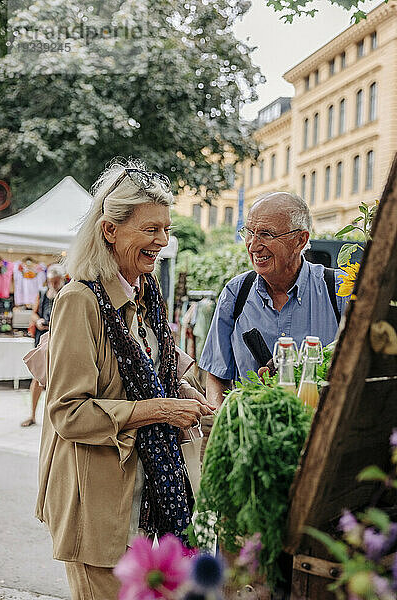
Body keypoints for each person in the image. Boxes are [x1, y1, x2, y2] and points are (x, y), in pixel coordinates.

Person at [35, 158, 215, 600]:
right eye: (150, 229)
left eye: (165, 228)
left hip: (141, 498)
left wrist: (193, 394)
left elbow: (160, 366)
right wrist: (163, 410)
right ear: (109, 230)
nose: (162, 240)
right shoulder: (80, 300)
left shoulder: (146, 293)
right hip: (95, 506)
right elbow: (68, 413)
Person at [199, 192, 350, 407]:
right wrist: (223, 423)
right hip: (252, 433)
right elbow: (217, 375)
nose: (253, 245)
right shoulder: (236, 293)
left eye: (266, 234)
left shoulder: (339, 290)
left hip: (321, 432)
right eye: (249, 232)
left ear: (300, 240)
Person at [21, 264, 65, 427]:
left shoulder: (67, 292)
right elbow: (34, 312)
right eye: (50, 281)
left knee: (57, 380)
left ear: (61, 279)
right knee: (37, 377)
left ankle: (54, 420)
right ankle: (32, 415)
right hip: (43, 338)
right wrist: (37, 320)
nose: (53, 284)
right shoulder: (42, 293)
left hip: (59, 338)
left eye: (56, 281)